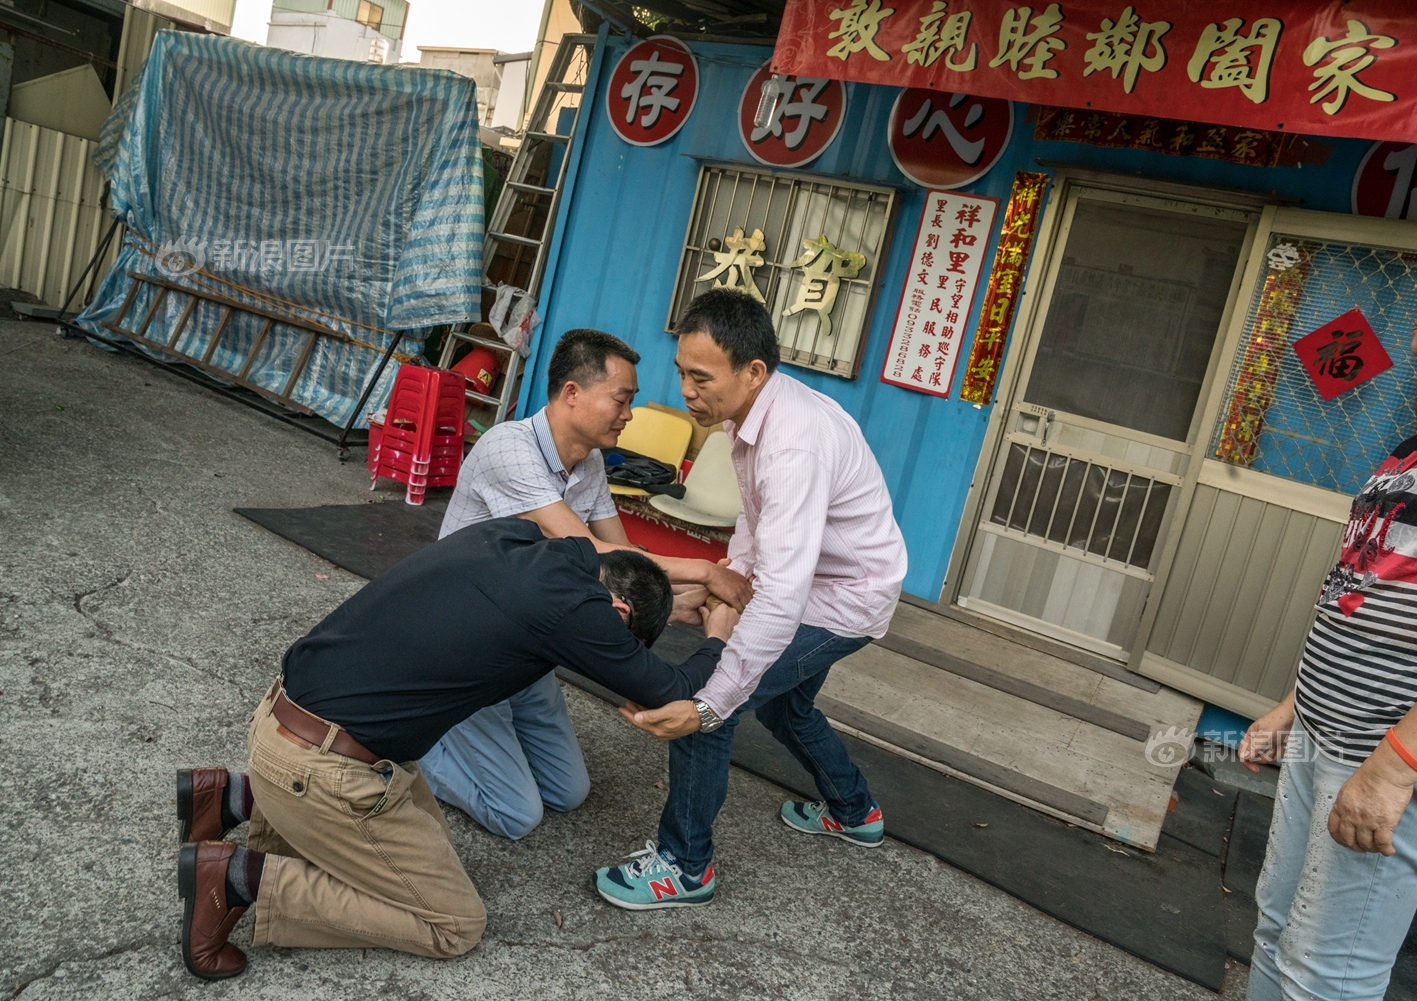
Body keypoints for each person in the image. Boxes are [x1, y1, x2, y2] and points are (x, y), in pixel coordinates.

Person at [174, 517, 740, 980]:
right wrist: (719, 630)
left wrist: (672, 579)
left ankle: (234, 798)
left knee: (420, 858)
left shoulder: (516, 537)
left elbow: (600, 548)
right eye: (621, 642)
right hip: (327, 767)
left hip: (285, 718)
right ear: (618, 614)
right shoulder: (580, 611)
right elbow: (672, 692)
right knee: (452, 922)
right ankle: (237, 879)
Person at [1239, 219, 1417, 1001]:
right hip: (1330, 733)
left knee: (1327, 977)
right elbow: (1361, 586)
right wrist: (1294, 706)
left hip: (1394, 759)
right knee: (1276, 931)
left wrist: (1393, 772)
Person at [593, 288, 908, 909]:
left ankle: (685, 866)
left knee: (711, 703)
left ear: (753, 370)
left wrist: (714, 697)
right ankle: (853, 810)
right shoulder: (757, 414)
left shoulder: (793, 443)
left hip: (841, 598)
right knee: (784, 708)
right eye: (681, 371)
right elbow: (757, 522)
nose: (685, 390)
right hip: (826, 583)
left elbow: (786, 594)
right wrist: (729, 579)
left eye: (700, 377)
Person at [422, 329, 751, 841]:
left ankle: (482, 738)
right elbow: (589, 549)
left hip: (528, 647)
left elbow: (629, 565)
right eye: (621, 399)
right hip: (468, 648)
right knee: (517, 815)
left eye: (631, 402)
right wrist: (707, 571)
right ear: (572, 393)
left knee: (568, 792)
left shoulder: (590, 461)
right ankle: (417, 744)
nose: (629, 414)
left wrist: (685, 602)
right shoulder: (508, 447)